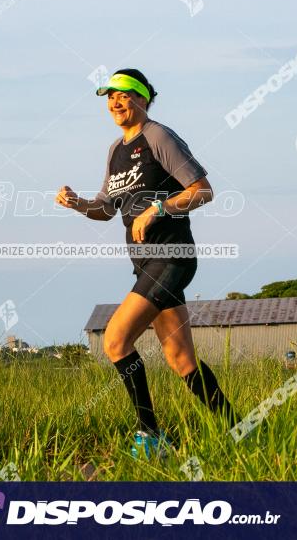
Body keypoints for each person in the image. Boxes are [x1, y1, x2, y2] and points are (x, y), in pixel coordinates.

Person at [56, 68, 238, 458]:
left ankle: (150, 436)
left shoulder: (158, 136)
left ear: (142, 98)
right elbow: (105, 209)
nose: (115, 103)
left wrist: (159, 207)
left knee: (117, 340)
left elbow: (203, 191)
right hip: (146, 264)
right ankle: (239, 429)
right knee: (181, 359)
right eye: (110, 97)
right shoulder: (116, 151)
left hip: (173, 256)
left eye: (123, 95)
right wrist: (77, 204)